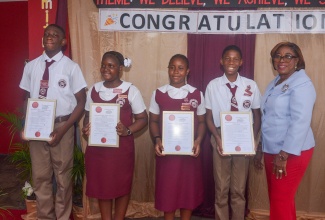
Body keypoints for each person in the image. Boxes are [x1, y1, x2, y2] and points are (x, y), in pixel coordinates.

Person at [19, 24, 87, 219]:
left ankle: (63, 217)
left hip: (61, 126)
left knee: (63, 178)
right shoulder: (31, 66)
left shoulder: (71, 67)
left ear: (63, 41)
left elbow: (81, 102)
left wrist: (64, 129)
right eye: (47, 34)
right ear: (43, 39)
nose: (50, 37)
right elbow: (27, 98)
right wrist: (26, 126)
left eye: (55, 35)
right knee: (40, 178)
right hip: (36, 127)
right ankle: (45, 217)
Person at [82, 51, 148, 220]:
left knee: (121, 186)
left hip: (121, 150)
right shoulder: (94, 89)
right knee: (103, 188)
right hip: (98, 150)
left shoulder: (130, 90)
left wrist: (128, 130)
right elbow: (88, 115)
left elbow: (143, 118)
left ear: (120, 68)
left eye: (110, 66)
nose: (106, 69)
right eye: (103, 65)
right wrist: (86, 129)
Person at [254, 42, 316, 220]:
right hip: (271, 149)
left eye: (288, 56)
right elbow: (269, 118)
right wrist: (260, 147)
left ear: (297, 60)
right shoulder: (275, 82)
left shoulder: (302, 84)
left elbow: (300, 122)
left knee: (280, 200)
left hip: (291, 153)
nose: (282, 60)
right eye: (277, 56)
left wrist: (283, 155)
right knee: (280, 200)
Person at [205, 45, 261, 220]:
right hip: (220, 134)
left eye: (235, 58)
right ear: (221, 62)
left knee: (239, 189)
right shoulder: (213, 86)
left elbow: (257, 115)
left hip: (245, 136)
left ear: (241, 62)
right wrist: (217, 138)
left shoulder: (250, 85)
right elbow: (207, 117)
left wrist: (253, 139)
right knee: (221, 188)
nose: (231, 62)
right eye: (227, 58)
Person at [149, 54, 206, 220]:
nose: (176, 71)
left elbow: (202, 122)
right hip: (167, 153)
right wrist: (157, 140)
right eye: (172, 67)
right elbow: (153, 120)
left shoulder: (197, 94)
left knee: (187, 192)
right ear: (168, 69)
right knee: (169, 192)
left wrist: (198, 141)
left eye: (180, 68)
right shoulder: (158, 93)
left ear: (187, 71)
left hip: (189, 153)